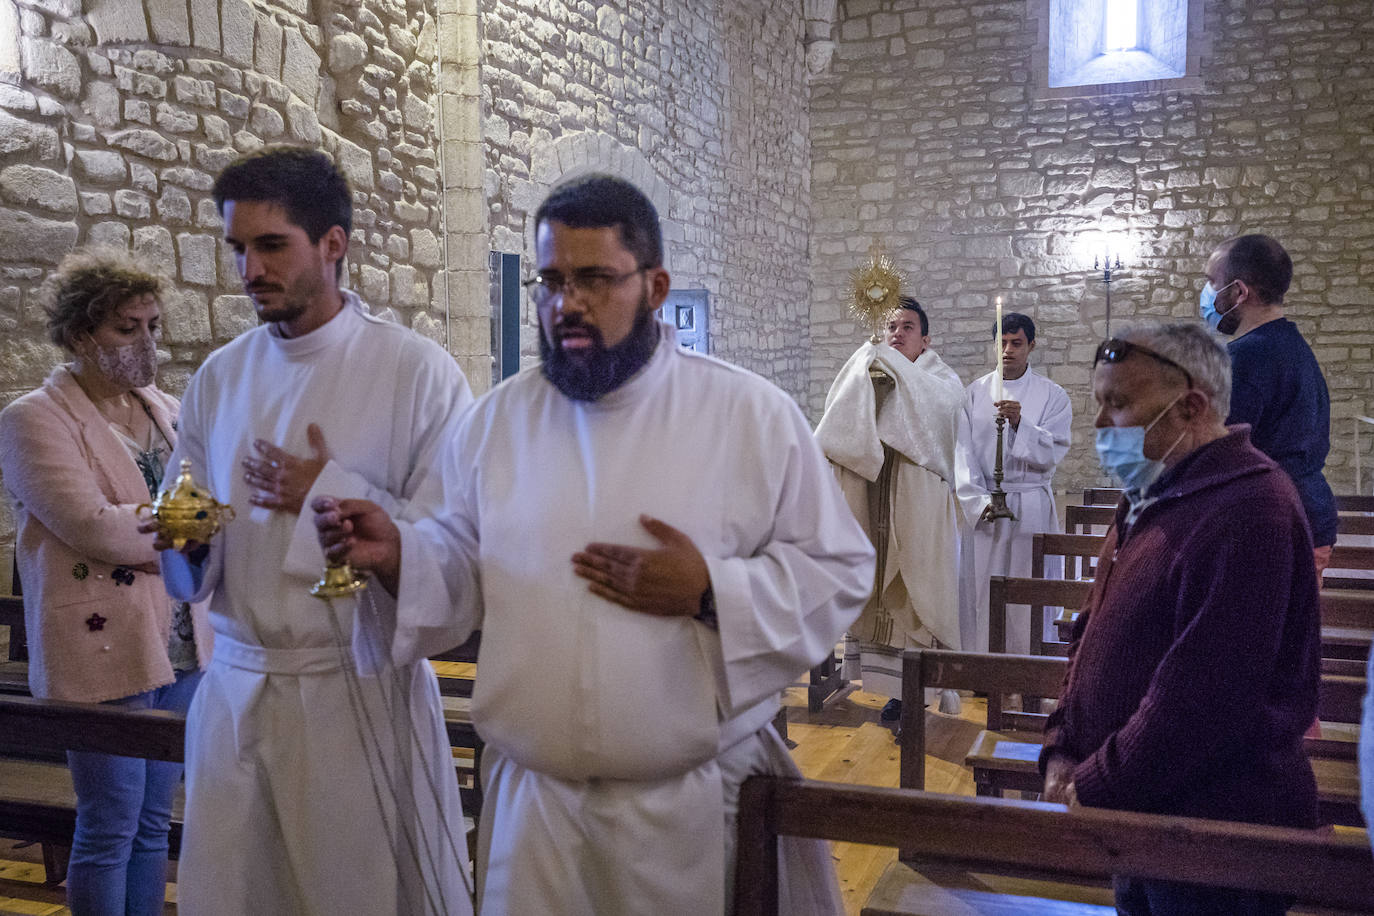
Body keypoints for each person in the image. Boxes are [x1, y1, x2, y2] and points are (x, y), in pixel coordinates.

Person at [313, 174, 873, 916]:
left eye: (593, 279)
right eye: (551, 280)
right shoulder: (494, 424)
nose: (564, 303)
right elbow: (457, 570)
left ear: (656, 285)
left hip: (685, 815)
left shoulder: (749, 415)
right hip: (534, 813)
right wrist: (397, 557)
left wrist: (710, 592)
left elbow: (836, 570)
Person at [152, 147, 475, 916]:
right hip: (237, 689)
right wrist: (185, 537)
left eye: (271, 245)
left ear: (334, 244)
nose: (248, 270)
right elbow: (183, 515)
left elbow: (458, 549)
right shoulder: (220, 377)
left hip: (353, 693)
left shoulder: (417, 374)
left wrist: (328, 495)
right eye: (237, 248)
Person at [1042, 322, 1319, 915]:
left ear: (1191, 407)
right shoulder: (1151, 490)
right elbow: (1091, 630)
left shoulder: (1252, 507)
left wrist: (1094, 783)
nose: (1099, 426)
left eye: (1117, 404)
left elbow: (1203, 699)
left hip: (1217, 835)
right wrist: (1063, 742)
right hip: (1143, 814)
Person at [0, 247, 210, 915]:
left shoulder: (167, 409)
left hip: (180, 640)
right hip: (101, 641)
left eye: (152, 325)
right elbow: (90, 525)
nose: (146, 341)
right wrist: (184, 524)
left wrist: (176, 522)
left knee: (155, 824)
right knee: (108, 825)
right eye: (127, 327)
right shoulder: (34, 418)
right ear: (81, 333)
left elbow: (207, 506)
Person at [815, 295, 964, 722]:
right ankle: (894, 693)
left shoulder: (942, 381)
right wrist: (867, 379)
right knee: (878, 596)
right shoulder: (870, 370)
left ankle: (919, 692)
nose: (897, 334)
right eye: (891, 327)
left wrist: (889, 372)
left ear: (926, 338)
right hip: (875, 501)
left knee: (916, 599)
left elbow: (940, 419)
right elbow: (840, 422)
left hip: (919, 511)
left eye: (907, 328)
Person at [1201, 234, 1337, 581]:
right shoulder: (1292, 346)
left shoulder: (1247, 357)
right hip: (1303, 512)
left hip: (1267, 521)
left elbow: (1221, 455)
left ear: (1239, 292)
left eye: (1211, 282)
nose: (1206, 294)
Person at [955, 312, 1072, 654]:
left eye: (1016, 343)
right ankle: (982, 664)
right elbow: (961, 454)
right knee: (982, 589)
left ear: (1031, 345)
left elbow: (1053, 450)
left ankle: (1028, 665)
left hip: (1030, 503)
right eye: (1001, 343)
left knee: (1027, 588)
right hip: (987, 507)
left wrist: (1021, 423)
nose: (1007, 350)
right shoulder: (974, 394)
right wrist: (978, 502)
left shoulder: (1053, 396)